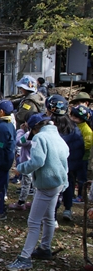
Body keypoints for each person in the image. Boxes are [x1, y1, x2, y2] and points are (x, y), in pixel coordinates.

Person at [6, 114, 69, 271]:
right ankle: (45, 248)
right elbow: (65, 156)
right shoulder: (57, 136)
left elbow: (38, 161)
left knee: (34, 222)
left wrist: (20, 168)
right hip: (58, 183)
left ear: (34, 128)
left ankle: (24, 258)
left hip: (46, 183)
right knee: (49, 217)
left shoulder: (40, 137)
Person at [45, 94, 84, 222]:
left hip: (56, 164)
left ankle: (53, 215)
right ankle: (68, 208)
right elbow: (80, 146)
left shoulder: (51, 126)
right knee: (69, 185)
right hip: (71, 164)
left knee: (55, 190)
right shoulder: (73, 126)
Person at [9, 115, 39, 211]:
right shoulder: (40, 135)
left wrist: (20, 131)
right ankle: (35, 202)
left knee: (26, 184)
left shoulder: (28, 135)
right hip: (35, 163)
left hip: (27, 163)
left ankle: (21, 203)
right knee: (35, 185)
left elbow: (18, 141)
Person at [69, 105, 93, 202]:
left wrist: (76, 146)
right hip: (73, 156)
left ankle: (81, 195)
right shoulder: (72, 126)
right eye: (72, 116)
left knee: (81, 178)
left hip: (82, 157)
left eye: (76, 117)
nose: (73, 118)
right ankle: (72, 194)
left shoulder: (87, 130)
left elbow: (88, 144)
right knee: (72, 176)